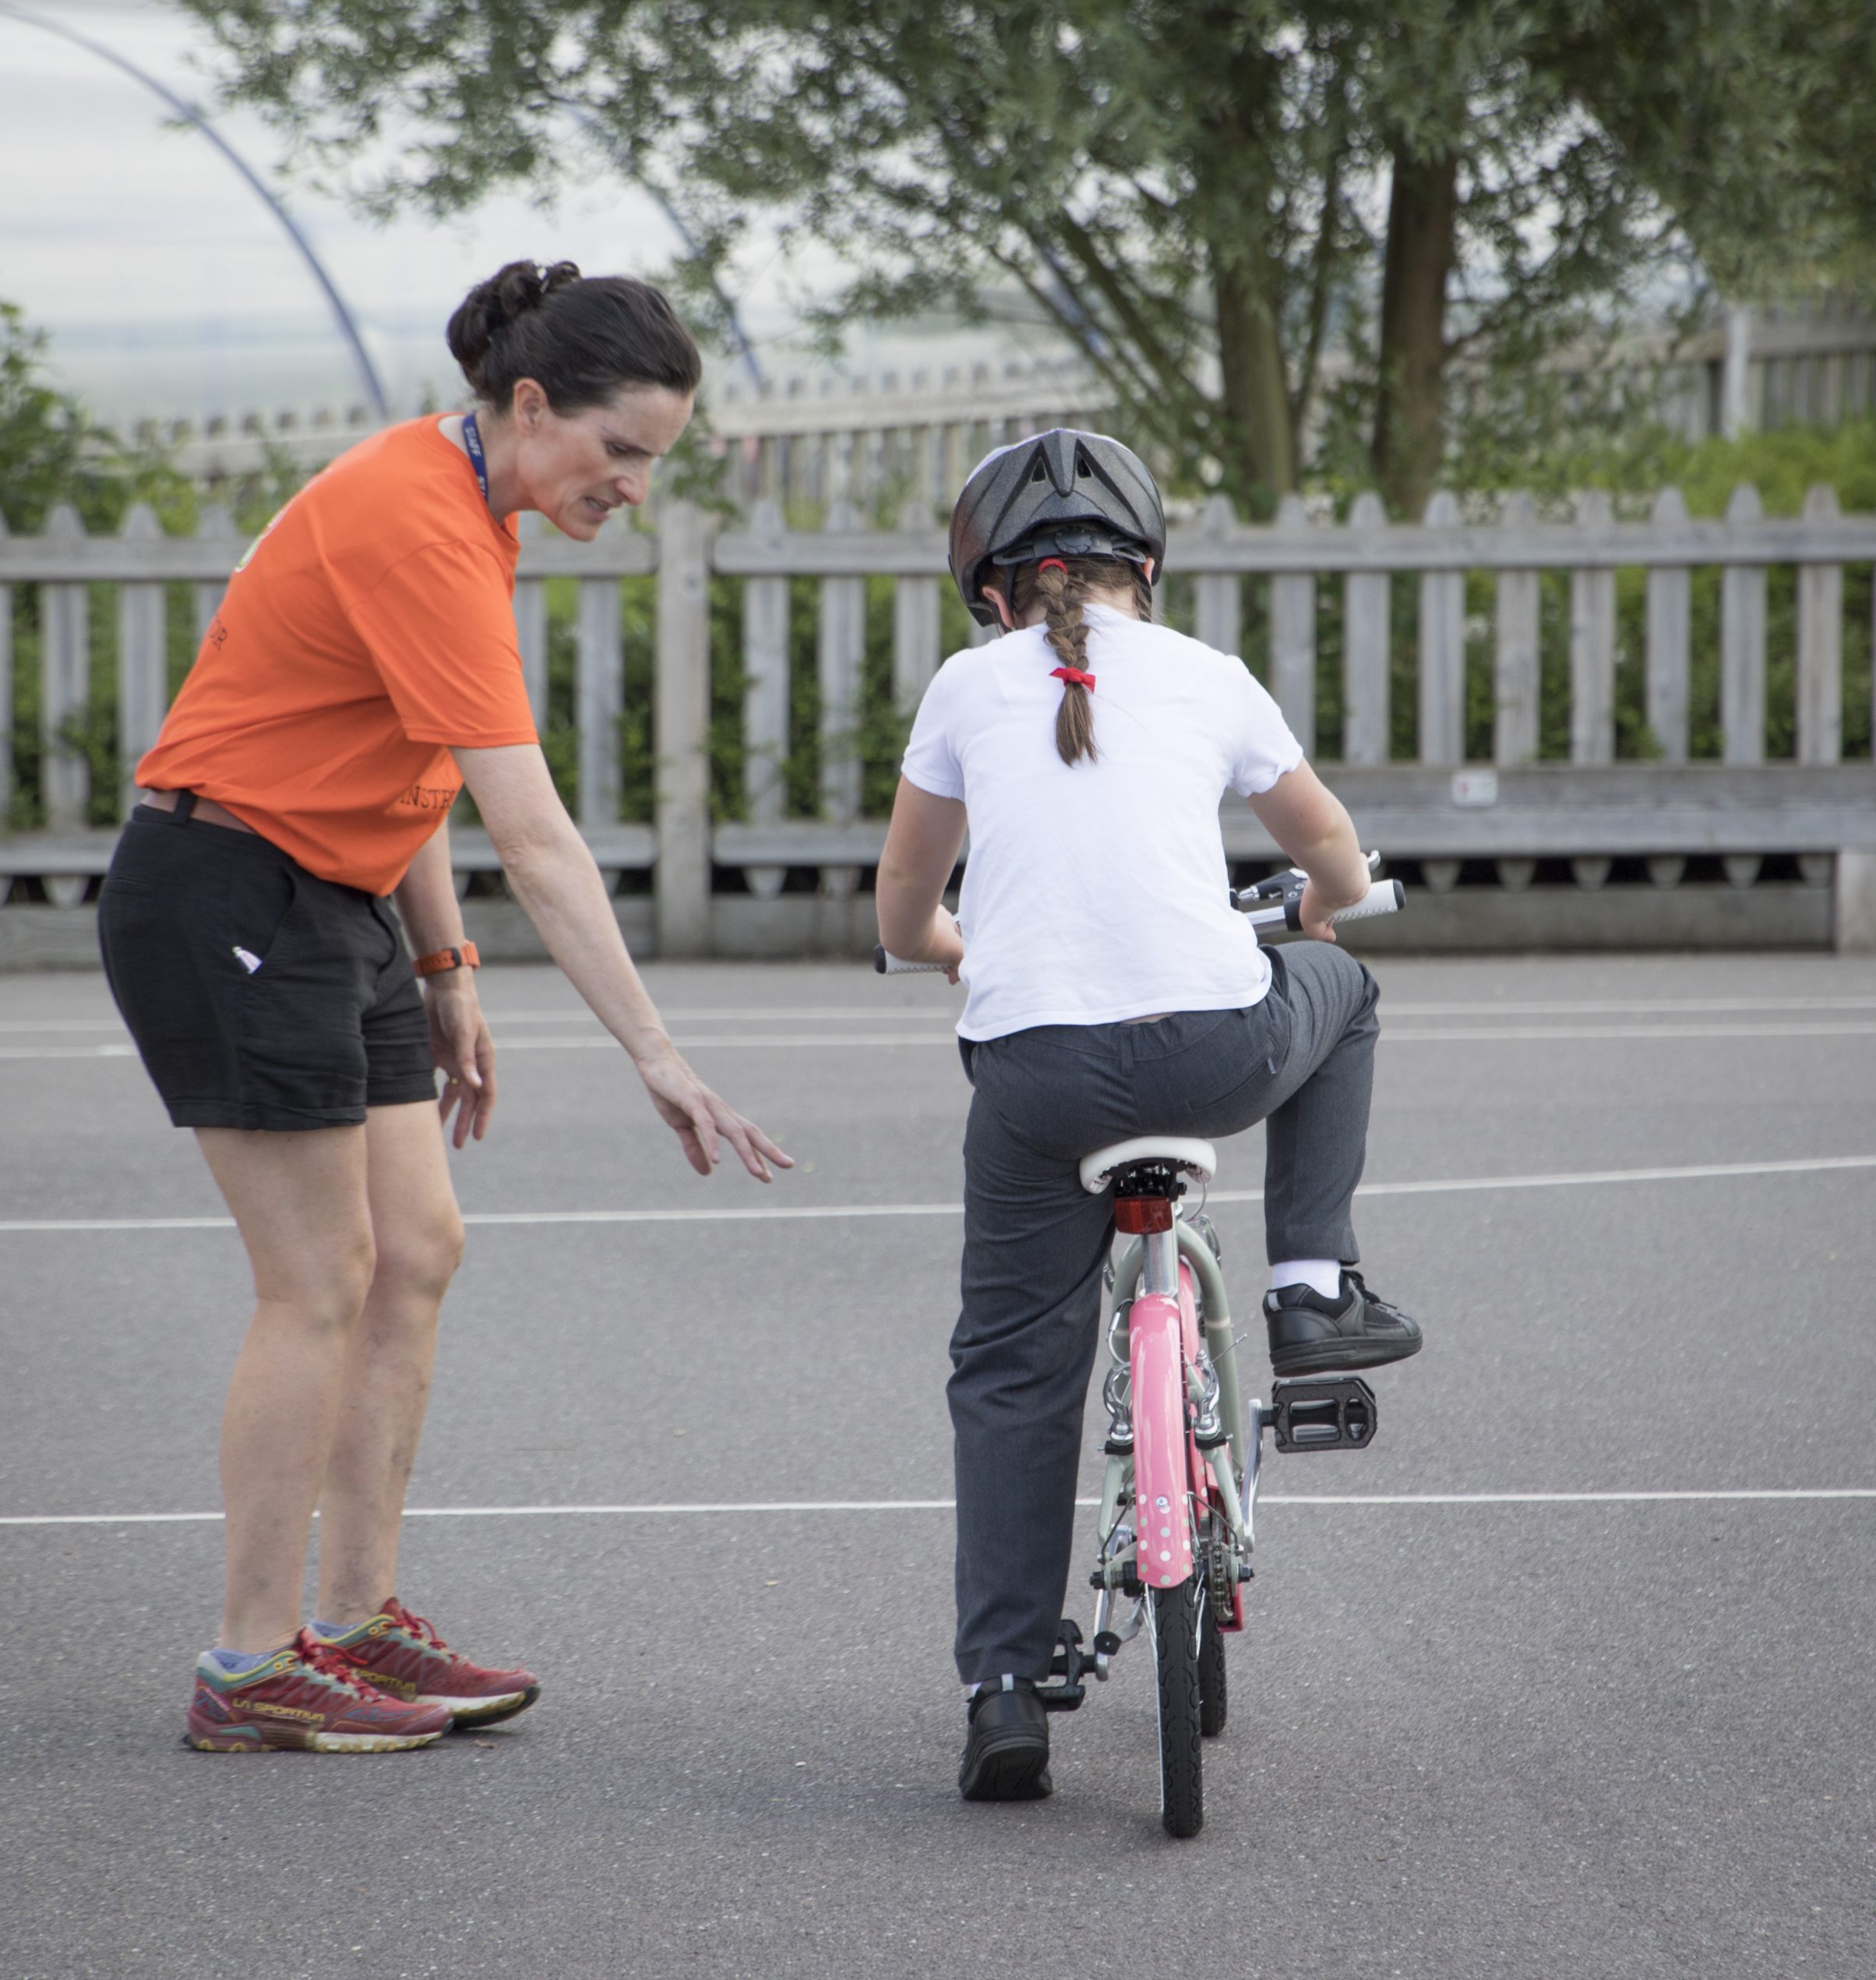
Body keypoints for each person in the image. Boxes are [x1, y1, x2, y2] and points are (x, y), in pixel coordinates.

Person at [98, 259, 792, 1754]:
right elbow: (535, 836)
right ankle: (250, 1662)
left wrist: (444, 966)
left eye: (653, 459)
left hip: (335, 899)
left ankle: (353, 1618)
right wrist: (658, 1057)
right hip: (224, 891)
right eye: (622, 451)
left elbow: (402, 756)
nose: (634, 487)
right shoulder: (418, 517)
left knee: (418, 1246)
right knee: (320, 1275)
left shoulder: (476, 501)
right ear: (532, 405)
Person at [873, 429, 1423, 1802]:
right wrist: (1308, 912)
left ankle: (1004, 1684)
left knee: (1008, 1364)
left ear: (992, 591)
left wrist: (960, 947)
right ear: (1149, 569)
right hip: (1215, 1050)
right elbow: (1337, 863)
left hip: (1034, 1079)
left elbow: (898, 914)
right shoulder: (1211, 677)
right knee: (1342, 989)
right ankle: (1309, 1285)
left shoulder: (964, 688)